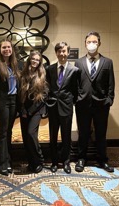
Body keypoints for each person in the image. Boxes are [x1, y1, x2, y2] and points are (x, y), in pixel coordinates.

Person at [74, 31, 115, 173]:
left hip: (101, 105)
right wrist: (76, 99)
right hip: (83, 104)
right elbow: (76, 83)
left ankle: (102, 160)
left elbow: (111, 83)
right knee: (83, 133)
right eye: (89, 42)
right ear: (85, 44)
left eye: (94, 42)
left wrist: (109, 100)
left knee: (101, 133)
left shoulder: (107, 62)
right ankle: (81, 159)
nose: (92, 44)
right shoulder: (78, 62)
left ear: (99, 43)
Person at [46, 42, 79, 174]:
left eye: (64, 51)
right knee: (53, 136)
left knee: (66, 137)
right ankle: (54, 162)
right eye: (59, 51)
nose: (62, 54)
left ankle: (66, 162)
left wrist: (71, 103)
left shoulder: (74, 70)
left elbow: (75, 90)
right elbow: (47, 88)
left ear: (68, 53)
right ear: (56, 53)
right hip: (53, 107)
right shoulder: (50, 69)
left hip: (66, 108)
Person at [0, 39, 20, 176]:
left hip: (13, 101)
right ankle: (1, 164)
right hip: (2, 103)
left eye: (9, 47)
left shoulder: (15, 65)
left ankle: (8, 161)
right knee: (1, 133)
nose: (7, 49)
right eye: (4, 47)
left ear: (12, 49)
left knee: (9, 132)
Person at [19, 50, 48, 173]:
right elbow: (19, 95)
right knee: (26, 137)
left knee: (31, 133)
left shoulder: (42, 75)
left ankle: (39, 159)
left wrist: (30, 111)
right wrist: (23, 110)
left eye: (37, 60)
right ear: (29, 60)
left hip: (36, 110)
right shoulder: (23, 75)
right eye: (33, 59)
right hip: (24, 110)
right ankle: (31, 162)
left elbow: (44, 95)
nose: (35, 61)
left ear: (40, 62)